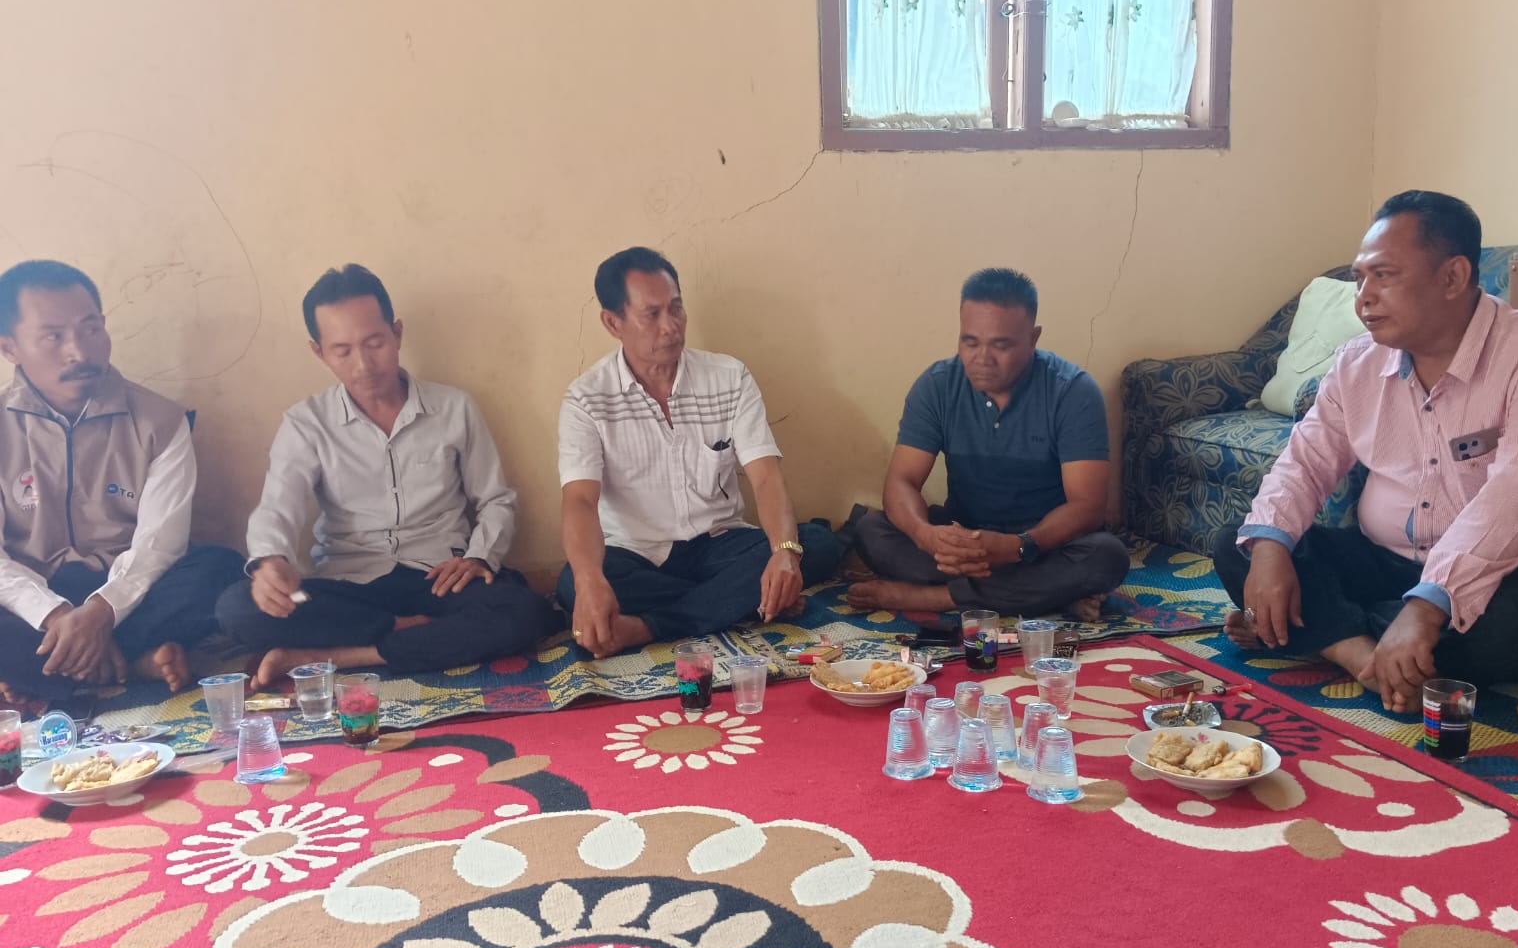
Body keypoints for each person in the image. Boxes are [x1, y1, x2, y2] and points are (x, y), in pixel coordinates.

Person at [1214, 191, 1518, 713]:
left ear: (1453, 277)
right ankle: (1363, 655)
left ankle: (1320, 629)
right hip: (1389, 561)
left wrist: (1425, 608)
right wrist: (1268, 552)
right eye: (1359, 279)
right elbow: (1305, 461)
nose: (1364, 298)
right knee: (1243, 544)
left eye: (1384, 275)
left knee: (1505, 631)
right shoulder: (1357, 362)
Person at [216, 264, 556, 687]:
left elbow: (496, 500)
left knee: (524, 611)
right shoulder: (307, 423)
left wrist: (478, 557)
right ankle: (404, 631)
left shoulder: (453, 408)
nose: (363, 364)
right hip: (347, 589)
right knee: (238, 607)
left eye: (374, 343)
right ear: (319, 352)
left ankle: (341, 655)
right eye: (342, 351)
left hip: (438, 581)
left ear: (396, 333)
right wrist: (270, 561)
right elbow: (277, 507)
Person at [557, 247, 843, 657]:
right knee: (573, 584)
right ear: (613, 322)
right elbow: (580, 501)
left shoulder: (729, 378)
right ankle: (734, 601)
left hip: (719, 546)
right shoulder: (586, 399)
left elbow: (765, 476)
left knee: (814, 544)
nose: (670, 327)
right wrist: (590, 583)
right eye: (652, 314)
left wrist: (783, 555)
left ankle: (648, 626)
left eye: (676, 309)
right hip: (636, 554)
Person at [0, 259, 241, 715]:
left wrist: (99, 614)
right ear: (9, 347)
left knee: (222, 571)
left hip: (125, 595)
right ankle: (129, 661)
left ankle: (49, 673)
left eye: (91, 329)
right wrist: (55, 615)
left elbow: (159, 546)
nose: (79, 351)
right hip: (35, 600)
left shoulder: (160, 421)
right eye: (53, 337)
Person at [846, 267, 1129, 617]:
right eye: (970, 342)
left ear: (1033, 338)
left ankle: (934, 598)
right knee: (871, 530)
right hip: (966, 538)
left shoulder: (1072, 391)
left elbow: (1087, 505)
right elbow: (902, 481)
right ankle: (1042, 596)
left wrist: (1017, 547)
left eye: (1001, 345)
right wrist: (925, 536)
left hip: (1040, 546)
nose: (982, 358)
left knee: (1106, 556)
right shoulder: (937, 385)